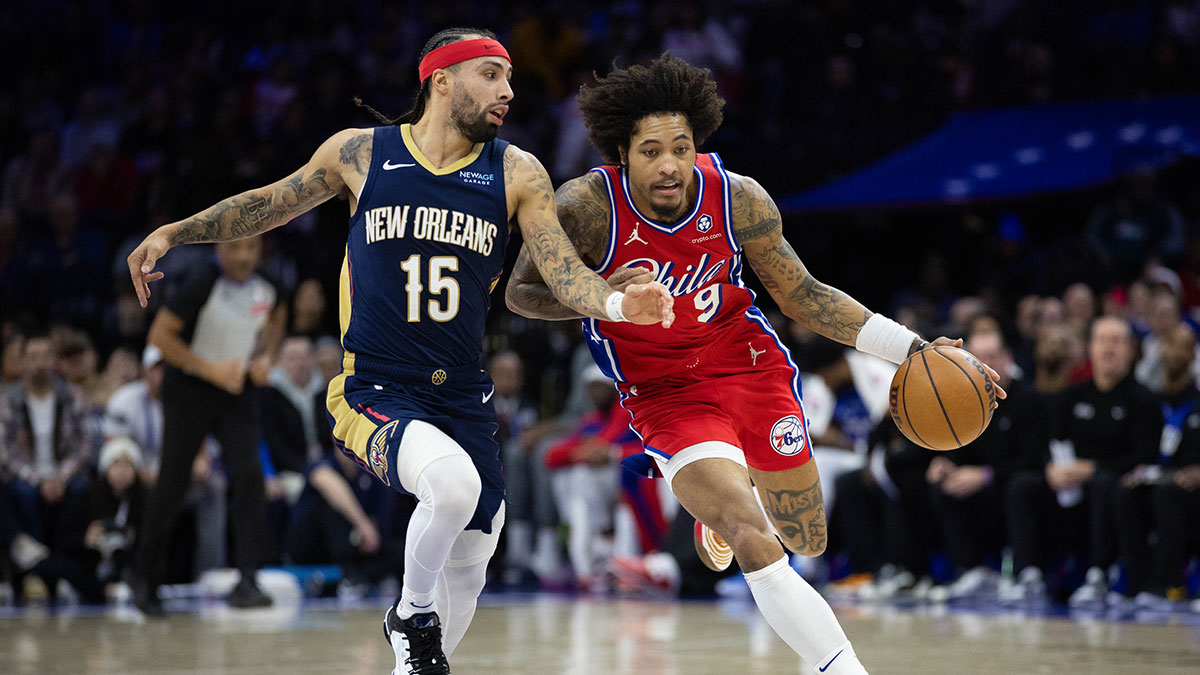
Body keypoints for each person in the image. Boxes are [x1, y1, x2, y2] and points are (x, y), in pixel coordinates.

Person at [125, 27, 673, 675]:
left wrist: (614, 301)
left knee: (471, 565)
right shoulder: (362, 153)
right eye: (491, 75)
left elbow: (558, 270)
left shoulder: (515, 170)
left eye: (509, 78)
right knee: (451, 485)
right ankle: (410, 612)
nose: (508, 90)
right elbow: (266, 205)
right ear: (441, 80)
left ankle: (411, 660)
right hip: (377, 388)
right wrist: (174, 232)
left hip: (463, 397)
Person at [505, 53, 1004, 675]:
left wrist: (916, 349)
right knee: (750, 532)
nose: (669, 164)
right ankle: (842, 666)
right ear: (620, 153)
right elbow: (521, 293)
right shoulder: (587, 206)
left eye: (681, 147)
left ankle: (722, 510)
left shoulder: (737, 198)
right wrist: (608, 294)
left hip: (747, 365)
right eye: (651, 150)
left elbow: (806, 295)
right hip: (664, 390)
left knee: (805, 537)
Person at [132, 235, 287, 615]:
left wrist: (266, 355)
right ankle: (144, 578)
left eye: (251, 248)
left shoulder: (269, 284)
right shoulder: (200, 281)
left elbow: (279, 314)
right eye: (236, 248)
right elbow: (160, 338)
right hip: (188, 387)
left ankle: (248, 577)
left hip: (235, 388)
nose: (244, 256)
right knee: (173, 481)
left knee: (250, 475)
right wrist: (210, 370)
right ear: (219, 249)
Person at [1002, 316, 1159, 606]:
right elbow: (1047, 442)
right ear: (1090, 348)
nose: (1108, 349)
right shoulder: (1073, 396)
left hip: (1109, 489)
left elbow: (1144, 457)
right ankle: (1029, 575)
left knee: (1105, 483)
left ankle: (1099, 575)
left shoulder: (1143, 400)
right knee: (1023, 484)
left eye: (1116, 341)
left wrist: (1093, 468)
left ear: (1131, 350)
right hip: (1067, 486)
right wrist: (1050, 468)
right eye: (1102, 341)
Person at [926, 330, 1044, 604]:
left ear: (1007, 358)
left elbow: (1034, 458)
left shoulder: (1027, 399)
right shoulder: (965, 401)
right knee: (941, 485)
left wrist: (986, 474)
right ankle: (971, 570)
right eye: (978, 359)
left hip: (1022, 488)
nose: (986, 365)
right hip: (985, 492)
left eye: (992, 357)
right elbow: (959, 449)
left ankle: (1028, 574)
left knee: (1020, 487)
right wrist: (946, 464)